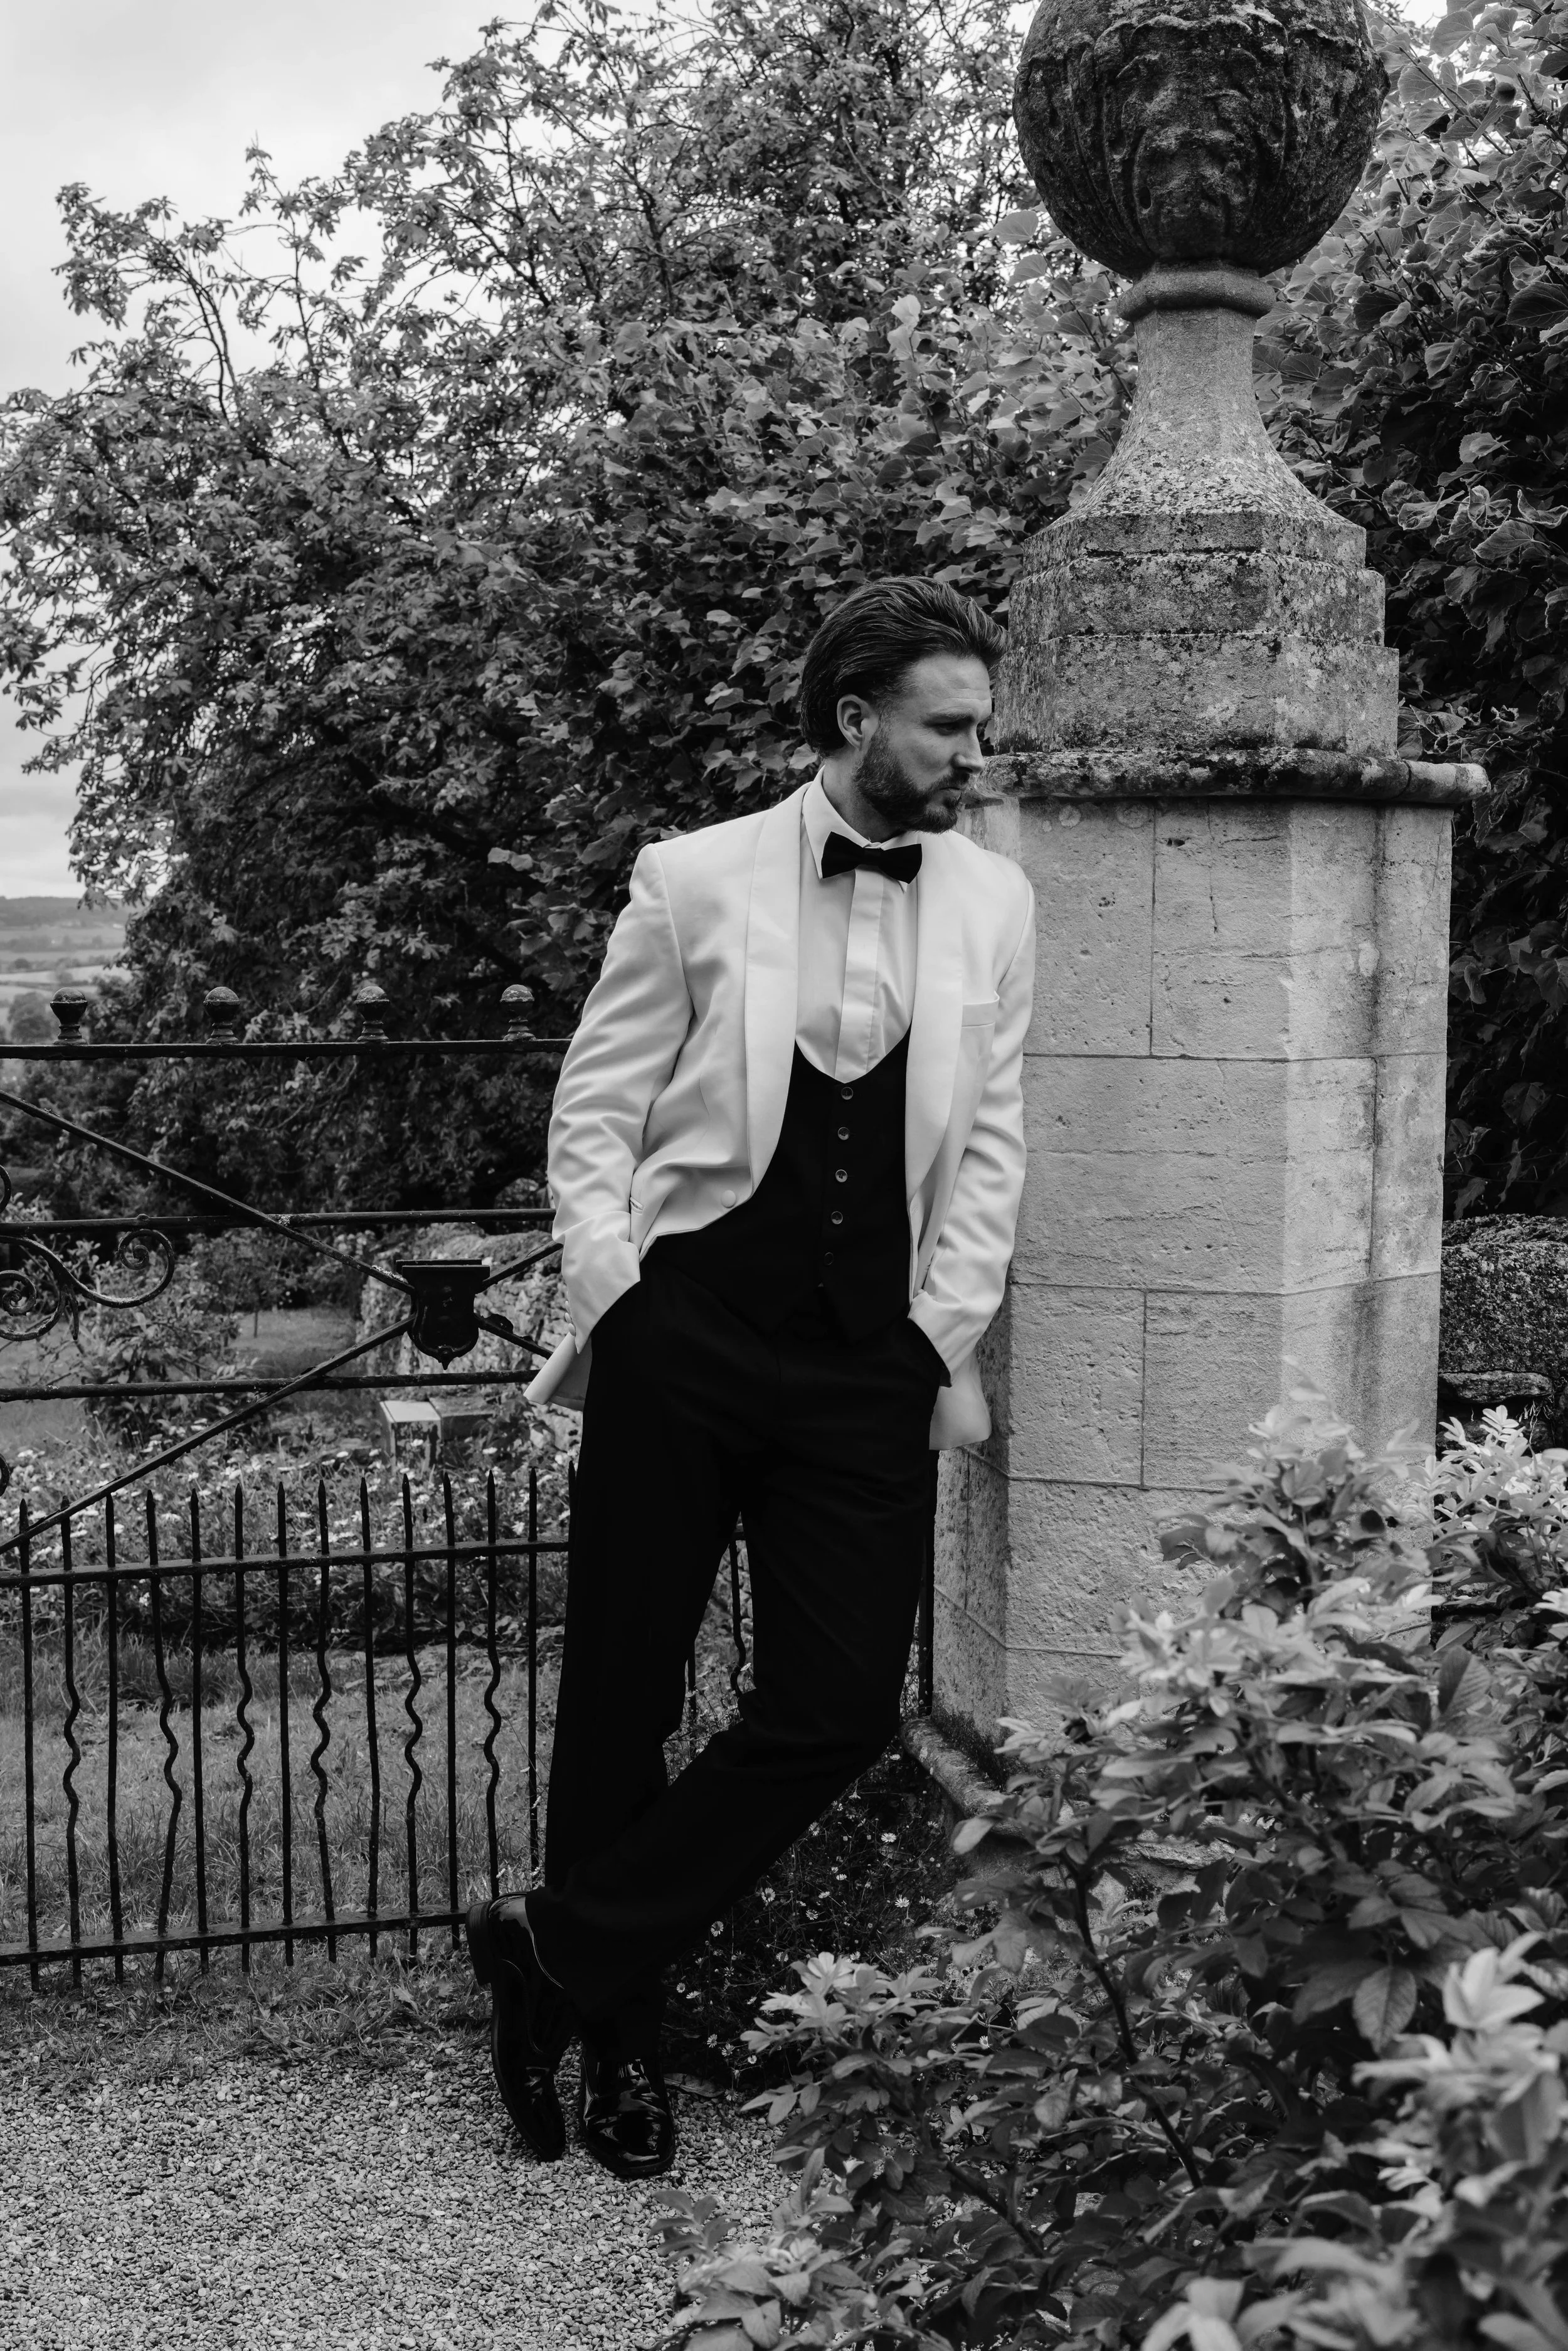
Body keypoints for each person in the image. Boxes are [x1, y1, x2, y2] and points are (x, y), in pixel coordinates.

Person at [467, 575, 1036, 2179]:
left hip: (870, 1361)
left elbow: (989, 1136)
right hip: (687, 1337)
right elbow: (595, 1111)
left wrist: (942, 1327)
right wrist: (619, 1296)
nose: (973, 754)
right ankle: (620, 2051)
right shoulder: (694, 877)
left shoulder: (995, 900)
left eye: (978, 724)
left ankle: (552, 1947)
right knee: (624, 1697)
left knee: (836, 1704)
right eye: (947, 724)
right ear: (854, 721)